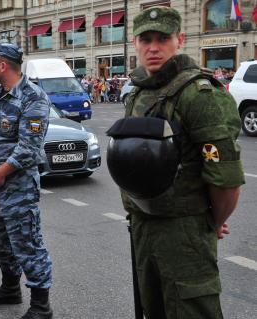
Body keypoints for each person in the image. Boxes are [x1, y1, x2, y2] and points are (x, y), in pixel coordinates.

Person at [107, 7, 245, 319]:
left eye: (163, 38)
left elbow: (226, 179)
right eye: (145, 39)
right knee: (152, 307)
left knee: (191, 309)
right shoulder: (137, 92)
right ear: (136, 42)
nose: (153, 47)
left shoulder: (201, 94)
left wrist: (210, 221)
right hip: (142, 226)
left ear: (179, 39)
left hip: (185, 234)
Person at [0, 43, 53, 319]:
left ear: (4, 65)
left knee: (27, 243)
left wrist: (0, 172)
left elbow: (29, 148)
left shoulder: (33, 98)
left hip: (18, 186)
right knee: (1, 242)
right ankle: (10, 289)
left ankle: (41, 306)